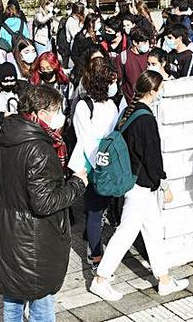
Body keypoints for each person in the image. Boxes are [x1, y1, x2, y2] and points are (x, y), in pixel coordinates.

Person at [88, 71, 190, 301]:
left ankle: (164, 279)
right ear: (153, 91)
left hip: (132, 181)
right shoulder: (146, 119)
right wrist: (164, 184)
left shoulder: (128, 111)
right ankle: (100, 279)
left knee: (152, 232)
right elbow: (153, 158)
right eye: (160, 89)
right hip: (141, 185)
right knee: (126, 232)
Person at [0, 84, 88, 322]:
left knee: (12, 295)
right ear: (40, 112)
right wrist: (77, 183)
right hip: (35, 238)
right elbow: (44, 203)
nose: (59, 115)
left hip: (7, 230)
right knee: (41, 296)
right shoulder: (39, 149)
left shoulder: (1, 139)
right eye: (55, 110)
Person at [67, 59, 125, 265]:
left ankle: (96, 244)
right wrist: (100, 165)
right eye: (111, 81)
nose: (114, 85)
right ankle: (95, 253)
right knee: (94, 210)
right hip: (92, 165)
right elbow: (86, 140)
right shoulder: (84, 105)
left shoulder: (111, 104)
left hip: (108, 163)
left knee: (102, 209)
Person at [117, 29, 152, 99]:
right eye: (144, 42)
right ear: (135, 42)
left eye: (148, 41)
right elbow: (119, 78)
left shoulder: (151, 54)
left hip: (149, 98)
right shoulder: (123, 57)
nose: (147, 44)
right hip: (130, 100)